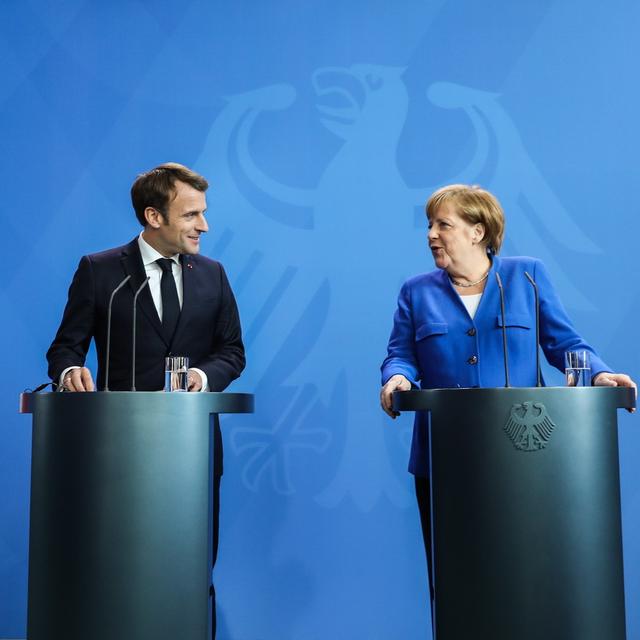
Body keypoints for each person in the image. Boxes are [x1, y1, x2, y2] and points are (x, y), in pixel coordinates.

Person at [379, 184, 636, 610]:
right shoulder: (415, 291)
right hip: (445, 461)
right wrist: (398, 380)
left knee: (527, 585)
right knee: (456, 589)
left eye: (443, 225)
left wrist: (602, 374)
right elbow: (400, 355)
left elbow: (565, 344)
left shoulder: (527, 276)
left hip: (525, 460)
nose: (431, 235)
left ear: (478, 231)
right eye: (429, 226)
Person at [47, 162, 245, 638]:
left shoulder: (213, 275)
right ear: (154, 217)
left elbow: (232, 351)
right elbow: (64, 348)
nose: (204, 225)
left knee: (193, 565)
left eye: (203, 213)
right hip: (118, 451)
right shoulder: (100, 271)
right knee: (117, 569)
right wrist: (70, 371)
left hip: (192, 448)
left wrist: (202, 375)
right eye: (191, 215)